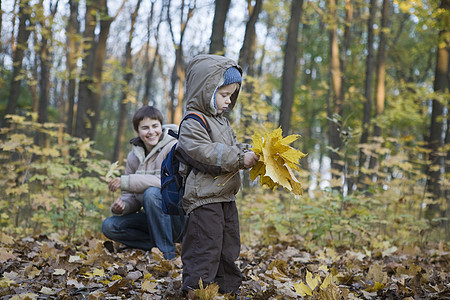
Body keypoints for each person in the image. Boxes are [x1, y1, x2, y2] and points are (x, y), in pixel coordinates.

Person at [176, 54, 259, 296]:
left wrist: (250, 152)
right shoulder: (193, 122)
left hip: (225, 197)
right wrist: (238, 158)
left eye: (232, 95)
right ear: (206, 90)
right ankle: (197, 291)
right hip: (204, 199)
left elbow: (232, 146)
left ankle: (227, 291)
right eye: (223, 95)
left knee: (228, 247)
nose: (228, 101)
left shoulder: (222, 123)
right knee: (205, 247)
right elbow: (204, 152)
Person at [102, 106, 184, 260]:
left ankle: (167, 255)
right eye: (145, 128)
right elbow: (130, 196)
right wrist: (123, 207)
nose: (151, 132)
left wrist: (126, 181)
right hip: (151, 220)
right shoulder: (134, 156)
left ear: (161, 126)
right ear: (138, 131)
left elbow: (166, 183)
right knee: (109, 225)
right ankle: (155, 245)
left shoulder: (173, 147)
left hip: (176, 219)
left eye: (155, 126)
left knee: (152, 194)